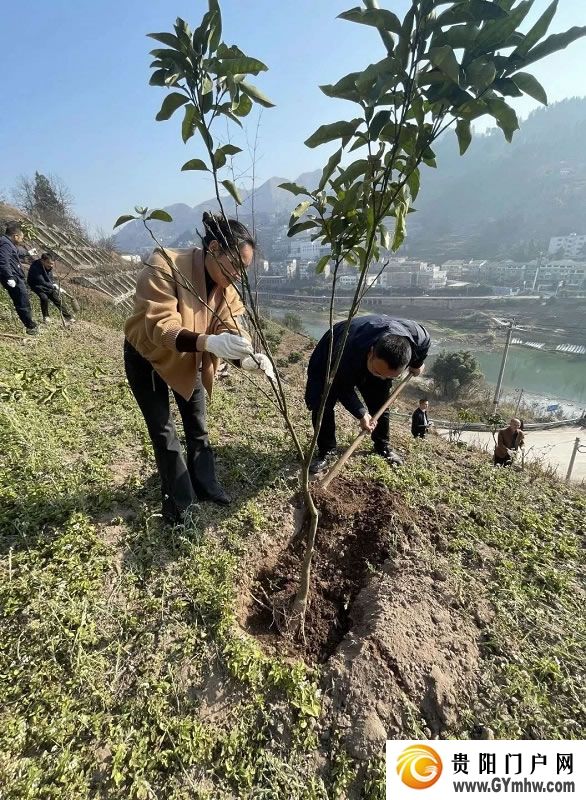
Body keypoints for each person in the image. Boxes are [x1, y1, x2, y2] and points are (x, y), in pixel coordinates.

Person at [124, 213, 274, 524]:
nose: (237, 275)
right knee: (164, 432)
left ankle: (206, 485)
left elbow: (232, 329)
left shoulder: (226, 289)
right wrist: (208, 342)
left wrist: (246, 357)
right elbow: (160, 328)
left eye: (244, 270)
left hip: (190, 357)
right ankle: (179, 502)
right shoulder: (164, 264)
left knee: (197, 426)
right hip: (148, 356)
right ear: (215, 248)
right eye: (235, 265)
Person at [305, 315, 431, 473]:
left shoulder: (418, 336)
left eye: (390, 376)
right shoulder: (346, 350)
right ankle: (327, 451)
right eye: (378, 372)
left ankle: (382, 446)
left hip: (371, 358)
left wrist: (417, 364)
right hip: (332, 357)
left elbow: (424, 346)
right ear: (371, 353)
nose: (382, 378)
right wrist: (361, 413)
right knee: (322, 401)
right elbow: (341, 387)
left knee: (380, 403)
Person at [0, 222, 39, 335]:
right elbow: (3, 261)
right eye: (21, 237)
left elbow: (16, 253)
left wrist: (28, 252)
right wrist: (9, 277)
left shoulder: (8, 243)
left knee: (23, 299)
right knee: (22, 300)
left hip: (15, 276)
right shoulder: (5, 244)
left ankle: (30, 324)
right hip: (13, 278)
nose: (22, 240)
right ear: (15, 236)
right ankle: (30, 326)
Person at [27, 251, 74, 324]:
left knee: (57, 299)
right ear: (43, 261)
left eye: (52, 264)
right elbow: (41, 281)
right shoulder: (35, 267)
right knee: (44, 298)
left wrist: (54, 284)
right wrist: (53, 286)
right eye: (49, 263)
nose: (51, 266)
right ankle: (46, 317)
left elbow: (50, 278)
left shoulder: (48, 266)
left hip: (46, 284)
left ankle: (68, 317)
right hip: (36, 284)